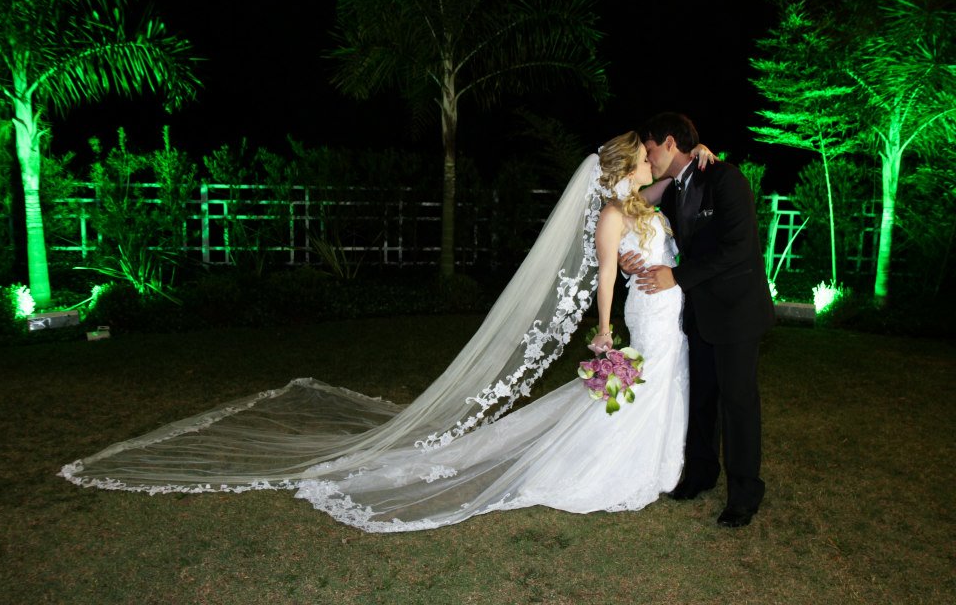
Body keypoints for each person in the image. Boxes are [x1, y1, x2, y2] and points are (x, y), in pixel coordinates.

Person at [60, 132, 714, 533]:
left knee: (661, 387)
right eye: (645, 157)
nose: (651, 161)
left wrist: (693, 165)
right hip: (641, 315)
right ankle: (611, 470)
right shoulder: (610, 216)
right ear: (625, 166)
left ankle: (665, 465)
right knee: (640, 389)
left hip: (666, 312)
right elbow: (605, 277)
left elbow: (668, 190)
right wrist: (602, 332)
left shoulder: (640, 202)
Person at [620, 113, 775, 528]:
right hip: (698, 313)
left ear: (670, 143)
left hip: (737, 311)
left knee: (738, 402)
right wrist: (626, 255)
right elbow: (631, 205)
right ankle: (701, 474)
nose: (648, 158)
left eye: (651, 149)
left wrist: (677, 276)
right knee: (701, 398)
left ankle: (744, 494)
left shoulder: (725, 178)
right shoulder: (674, 188)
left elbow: (738, 247)